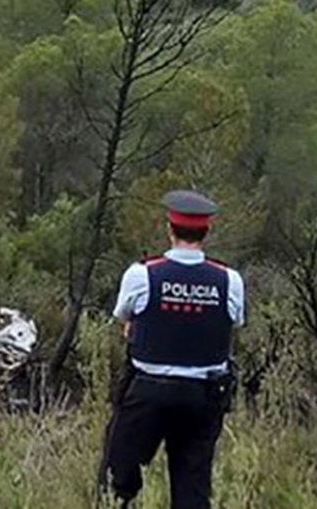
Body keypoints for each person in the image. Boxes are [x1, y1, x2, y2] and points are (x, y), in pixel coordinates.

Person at [99, 190, 245, 509]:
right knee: (192, 488)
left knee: (116, 480)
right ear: (206, 231)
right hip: (204, 396)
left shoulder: (142, 274)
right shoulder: (229, 280)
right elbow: (232, 323)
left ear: (170, 228)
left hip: (147, 392)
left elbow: (123, 318)